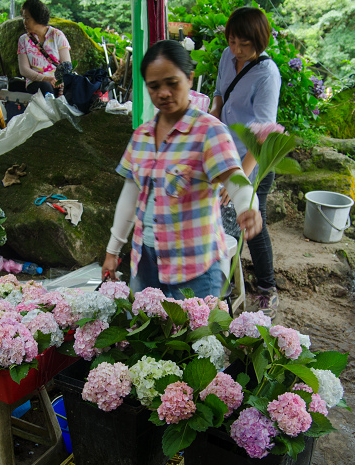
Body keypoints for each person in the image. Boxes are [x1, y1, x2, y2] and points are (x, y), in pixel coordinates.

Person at [101, 40, 263, 300]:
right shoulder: (142, 135)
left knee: (193, 338)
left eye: (172, 83)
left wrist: (247, 207)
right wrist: (113, 250)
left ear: (189, 78)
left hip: (195, 269)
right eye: (154, 87)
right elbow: (130, 194)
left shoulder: (209, 130)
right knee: (144, 336)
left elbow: (234, 177)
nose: (163, 93)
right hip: (145, 264)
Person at [209, 7, 281, 317]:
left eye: (244, 45)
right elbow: (219, 95)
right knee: (231, 220)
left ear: (260, 41)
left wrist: (240, 179)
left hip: (253, 161)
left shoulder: (267, 75)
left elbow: (263, 135)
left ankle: (262, 290)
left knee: (246, 221)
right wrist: (210, 122)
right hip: (225, 154)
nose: (237, 50)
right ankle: (220, 295)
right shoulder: (228, 56)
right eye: (233, 42)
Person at [17, 0, 71, 97]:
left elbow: (66, 66)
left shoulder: (57, 35)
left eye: (27, 18)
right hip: (36, 82)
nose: (24, 22)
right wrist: (45, 79)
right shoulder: (23, 40)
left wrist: (62, 85)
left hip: (58, 82)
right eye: (23, 18)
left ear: (37, 18)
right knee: (45, 87)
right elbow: (24, 69)